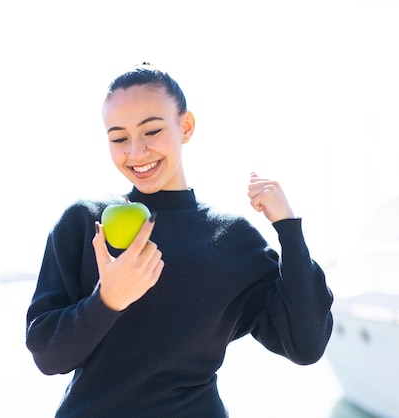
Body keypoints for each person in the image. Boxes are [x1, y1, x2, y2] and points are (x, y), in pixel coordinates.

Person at [25, 63, 334, 417]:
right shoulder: (84, 223)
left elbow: (306, 345)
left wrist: (289, 229)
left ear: (185, 126)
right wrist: (107, 300)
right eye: (119, 138)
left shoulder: (231, 239)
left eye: (151, 131)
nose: (136, 152)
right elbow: (47, 356)